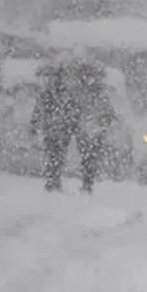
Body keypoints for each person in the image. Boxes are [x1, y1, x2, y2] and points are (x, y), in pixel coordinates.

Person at [31, 56, 117, 194]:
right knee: (68, 155)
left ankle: (60, 182)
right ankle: (67, 182)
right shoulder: (82, 91)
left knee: (60, 155)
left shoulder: (65, 91)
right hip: (78, 127)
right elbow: (103, 110)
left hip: (69, 126)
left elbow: (101, 110)